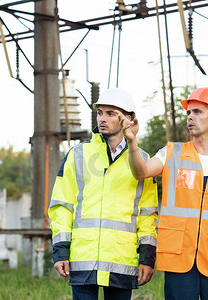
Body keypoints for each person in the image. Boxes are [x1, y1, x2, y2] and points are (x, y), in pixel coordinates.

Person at [119, 87, 208, 300]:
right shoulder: (171, 153)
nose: (190, 117)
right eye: (188, 113)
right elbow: (140, 172)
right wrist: (132, 142)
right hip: (179, 259)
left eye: (197, 112)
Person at [48, 88, 158, 300]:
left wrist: (147, 258)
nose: (102, 119)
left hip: (121, 259)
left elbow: (147, 214)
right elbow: (62, 205)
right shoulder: (77, 154)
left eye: (110, 113)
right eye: (100, 113)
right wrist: (60, 251)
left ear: (127, 119)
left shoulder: (143, 161)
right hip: (82, 258)